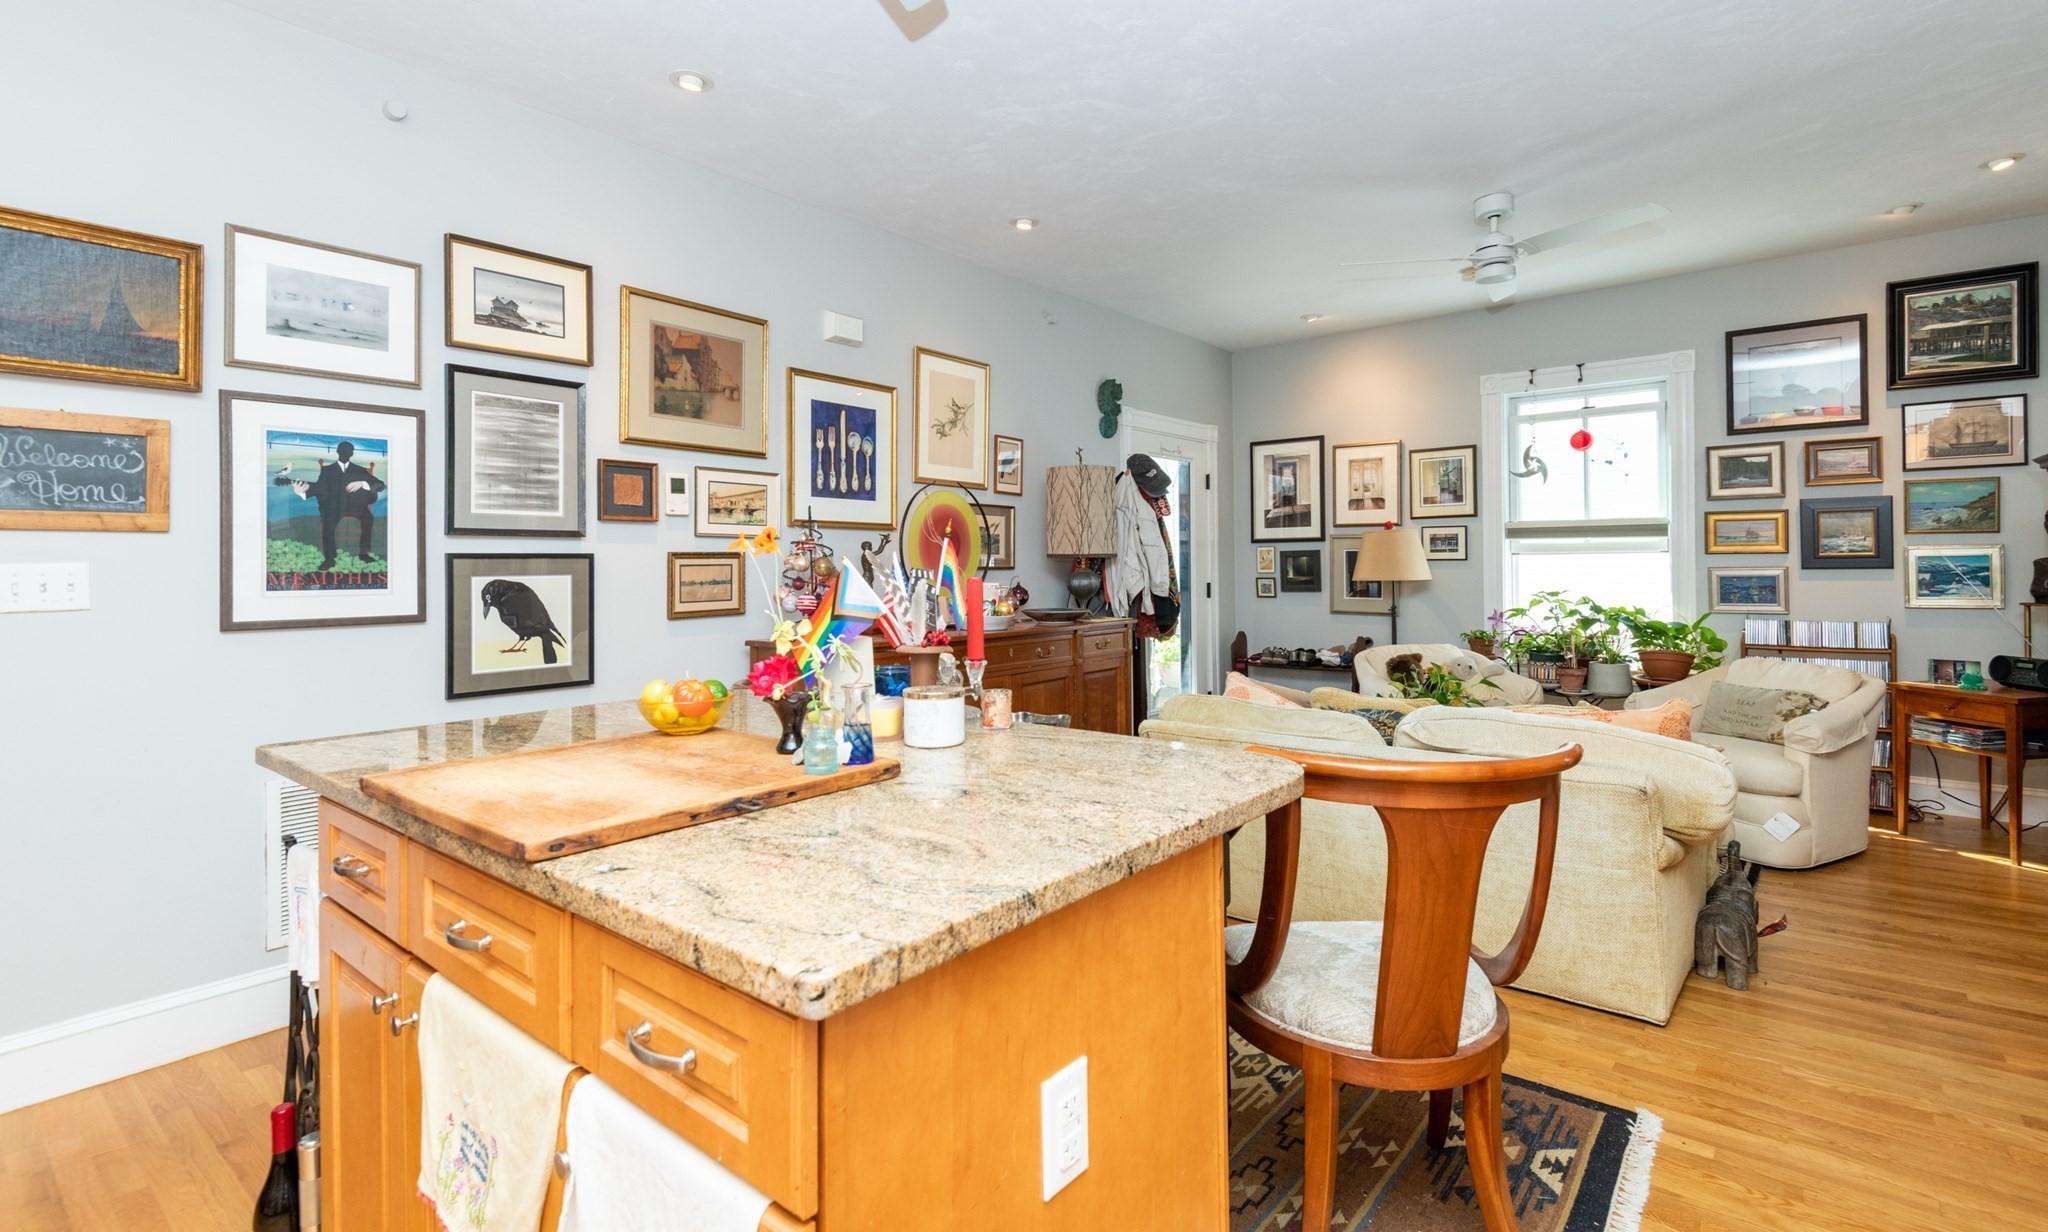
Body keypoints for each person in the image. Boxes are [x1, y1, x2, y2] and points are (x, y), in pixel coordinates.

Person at [282, 440, 384, 570]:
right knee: (327, 524)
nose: (345, 453)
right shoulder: (327, 470)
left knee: (368, 518)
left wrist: (362, 483)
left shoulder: (360, 470)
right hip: (335, 508)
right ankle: (329, 559)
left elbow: (380, 485)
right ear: (338, 452)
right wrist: (302, 492)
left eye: (348, 451)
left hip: (356, 507)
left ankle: (364, 554)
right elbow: (319, 488)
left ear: (352, 454)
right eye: (343, 450)